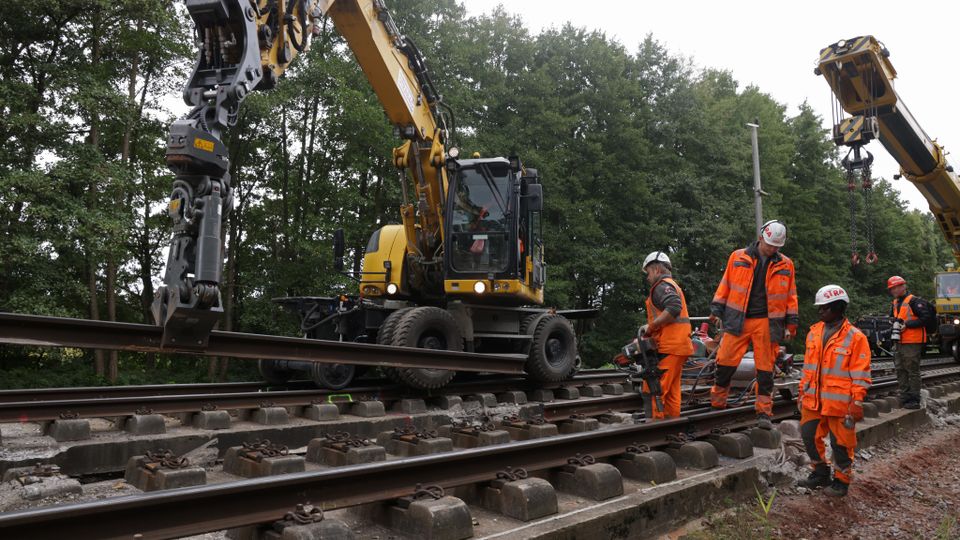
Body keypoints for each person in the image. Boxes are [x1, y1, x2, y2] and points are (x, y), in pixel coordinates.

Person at [708, 220, 799, 429]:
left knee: (765, 370)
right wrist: (716, 309)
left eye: (777, 246)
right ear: (760, 238)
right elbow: (725, 284)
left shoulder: (786, 264)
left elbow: (791, 296)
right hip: (737, 319)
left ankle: (764, 412)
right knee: (725, 363)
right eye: (770, 245)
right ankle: (717, 403)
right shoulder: (737, 257)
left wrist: (791, 324)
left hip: (767, 323)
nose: (773, 249)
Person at [797, 285, 871, 497]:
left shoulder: (856, 337)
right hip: (813, 400)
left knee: (841, 444)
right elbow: (808, 368)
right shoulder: (813, 333)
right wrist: (802, 392)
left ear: (839, 308)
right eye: (819, 308)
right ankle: (820, 473)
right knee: (809, 436)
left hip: (841, 403)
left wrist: (857, 401)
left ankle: (841, 480)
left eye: (825, 308)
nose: (820, 311)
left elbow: (861, 373)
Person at [638, 251, 694, 419]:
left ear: (656, 269)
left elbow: (674, 307)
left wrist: (651, 327)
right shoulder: (672, 285)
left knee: (657, 389)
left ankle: (657, 426)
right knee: (671, 393)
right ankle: (672, 427)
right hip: (679, 346)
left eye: (648, 272)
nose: (648, 277)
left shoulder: (661, 286)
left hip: (670, 346)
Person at [887, 275, 925, 409]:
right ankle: (905, 397)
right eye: (892, 288)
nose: (894, 290)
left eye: (896, 287)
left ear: (903, 286)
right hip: (899, 341)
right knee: (900, 369)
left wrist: (907, 325)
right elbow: (893, 318)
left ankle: (914, 400)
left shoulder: (914, 301)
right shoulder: (895, 303)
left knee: (912, 370)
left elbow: (925, 319)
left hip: (912, 341)